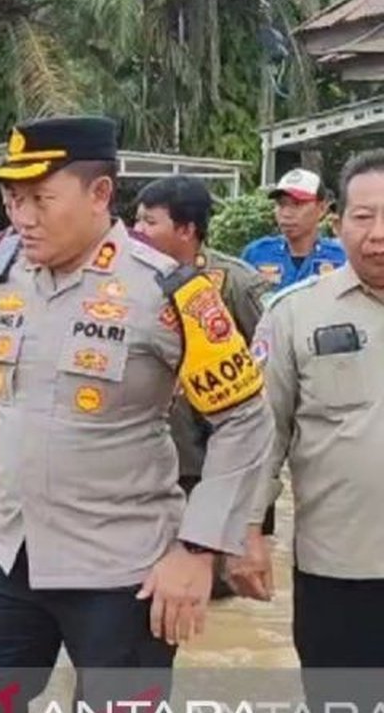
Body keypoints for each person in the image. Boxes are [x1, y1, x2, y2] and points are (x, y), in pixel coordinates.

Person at [0, 116, 273, 711]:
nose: (22, 217)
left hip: (125, 566)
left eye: (41, 199)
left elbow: (245, 420)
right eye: (13, 200)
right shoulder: (2, 279)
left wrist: (198, 550)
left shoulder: (171, 293)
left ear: (99, 194)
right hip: (11, 552)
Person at [228, 150, 384, 707]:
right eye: (364, 218)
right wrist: (246, 530)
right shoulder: (294, 313)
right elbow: (259, 433)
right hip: (339, 570)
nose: (377, 235)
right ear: (338, 221)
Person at [132, 175, 276, 599]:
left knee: (208, 593)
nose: (137, 232)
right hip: (147, 466)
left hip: (207, 465)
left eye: (149, 222)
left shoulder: (236, 284)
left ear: (186, 230)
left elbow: (262, 383)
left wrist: (253, 511)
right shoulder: (127, 283)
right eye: (135, 220)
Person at [242, 168, 345, 293]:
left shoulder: (342, 258)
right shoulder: (256, 253)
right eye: (281, 204)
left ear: (322, 208)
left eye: (297, 204)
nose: (286, 213)